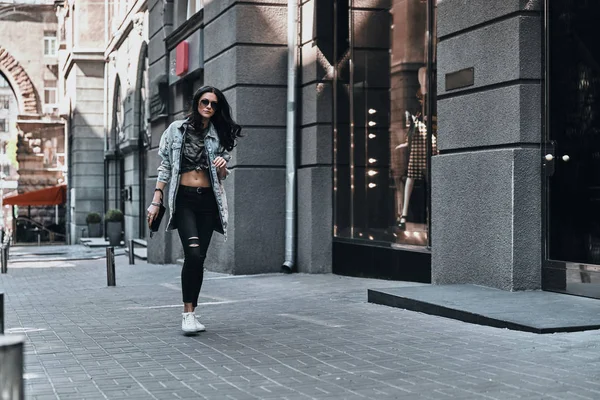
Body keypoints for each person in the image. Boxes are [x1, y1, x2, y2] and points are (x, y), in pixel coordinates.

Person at [147, 86, 242, 334]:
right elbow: (165, 166)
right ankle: (187, 314)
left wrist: (222, 166)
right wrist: (157, 198)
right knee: (194, 255)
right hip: (185, 200)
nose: (209, 107)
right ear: (196, 103)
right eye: (204, 102)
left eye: (213, 104)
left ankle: (193, 311)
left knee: (199, 260)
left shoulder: (218, 134)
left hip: (209, 201)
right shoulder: (175, 131)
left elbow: (221, 175)